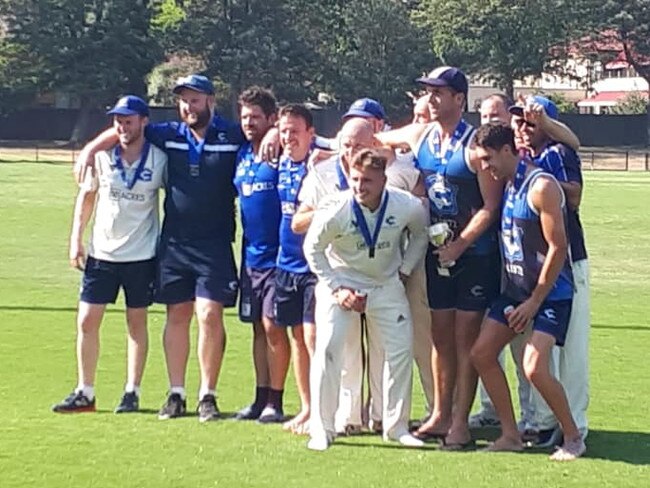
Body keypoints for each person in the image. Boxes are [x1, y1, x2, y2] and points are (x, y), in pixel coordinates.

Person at [73, 74, 245, 421]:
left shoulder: (231, 134)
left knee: (210, 315)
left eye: (195, 100)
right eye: (183, 101)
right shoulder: (168, 134)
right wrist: (91, 148)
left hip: (214, 243)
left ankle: (207, 395)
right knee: (176, 316)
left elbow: (260, 135)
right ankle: (176, 392)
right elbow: (125, 129)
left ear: (210, 100)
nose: (188, 107)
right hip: (175, 243)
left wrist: (271, 133)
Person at [376, 66, 502, 450]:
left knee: (466, 339)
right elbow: (375, 136)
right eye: (427, 93)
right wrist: (331, 145)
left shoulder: (472, 144)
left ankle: (460, 423)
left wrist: (460, 245)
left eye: (438, 93)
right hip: (437, 252)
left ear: (459, 99)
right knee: (439, 337)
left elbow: (490, 207)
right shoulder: (422, 135)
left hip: (474, 255)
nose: (430, 100)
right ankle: (440, 413)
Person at [471, 122, 586, 461]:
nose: (486, 167)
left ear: (509, 151)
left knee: (534, 368)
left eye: (489, 159)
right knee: (481, 354)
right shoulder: (507, 182)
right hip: (515, 292)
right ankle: (510, 434)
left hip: (549, 294)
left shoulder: (541, 187)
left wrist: (535, 301)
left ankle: (574, 436)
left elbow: (558, 247)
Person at [303, 149, 429, 451]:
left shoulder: (405, 205)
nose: (360, 187)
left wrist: (404, 270)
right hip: (342, 282)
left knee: (399, 351)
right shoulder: (336, 208)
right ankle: (322, 429)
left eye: (368, 181)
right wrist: (337, 288)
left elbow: (421, 234)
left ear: (384, 180)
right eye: (355, 179)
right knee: (329, 350)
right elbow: (312, 250)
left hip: (386, 285)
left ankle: (396, 427)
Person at [52, 96, 166, 414]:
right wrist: (76, 239)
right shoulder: (102, 158)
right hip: (102, 254)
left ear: (144, 121)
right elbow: (86, 198)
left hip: (141, 254)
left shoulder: (159, 159)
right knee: (87, 321)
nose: (123, 126)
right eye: (118, 121)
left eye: (129, 120)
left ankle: (132, 391)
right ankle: (85, 391)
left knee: (136, 323)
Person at [511, 96, 590, 445]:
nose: (524, 129)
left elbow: (573, 196)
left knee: (570, 350)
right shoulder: (526, 158)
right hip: (538, 264)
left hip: (569, 258)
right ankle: (546, 420)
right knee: (541, 349)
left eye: (531, 122)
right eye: (520, 122)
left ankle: (575, 424)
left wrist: (542, 184)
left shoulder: (557, 153)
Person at [233, 87, 289, 423]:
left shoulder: (281, 151)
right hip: (250, 257)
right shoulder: (241, 155)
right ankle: (259, 395)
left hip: (278, 258)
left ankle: (276, 401)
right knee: (256, 328)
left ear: (271, 118)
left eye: (256, 117)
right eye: (245, 117)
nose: (249, 123)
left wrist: (275, 132)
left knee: (273, 327)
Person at [274, 104, 318, 434]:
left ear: (310, 133)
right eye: (284, 130)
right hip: (284, 264)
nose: (289, 137)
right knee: (297, 339)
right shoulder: (278, 161)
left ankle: (322, 408)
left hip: (314, 268)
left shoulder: (322, 161)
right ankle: (306, 407)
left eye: (295, 131)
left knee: (315, 338)